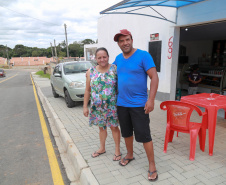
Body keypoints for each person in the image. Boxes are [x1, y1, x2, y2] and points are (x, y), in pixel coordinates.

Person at [113, 29, 159, 182]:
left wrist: (151, 99)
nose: (124, 43)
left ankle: (152, 165)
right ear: (118, 44)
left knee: (144, 135)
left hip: (139, 105)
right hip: (122, 104)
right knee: (126, 132)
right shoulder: (118, 59)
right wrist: (91, 72)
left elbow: (154, 77)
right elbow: (108, 74)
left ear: (131, 39)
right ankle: (130, 154)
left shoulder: (143, 55)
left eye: (127, 39)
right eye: (121, 41)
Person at [83, 47, 121, 161]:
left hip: (112, 106)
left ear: (108, 57)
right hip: (97, 107)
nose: (102, 59)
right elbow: (87, 90)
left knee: (114, 127)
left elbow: (121, 86)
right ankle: (102, 148)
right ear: (96, 58)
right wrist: (85, 106)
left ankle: (117, 150)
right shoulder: (91, 72)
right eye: (99, 57)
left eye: (104, 57)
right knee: (101, 128)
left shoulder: (115, 69)